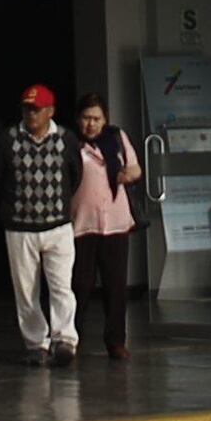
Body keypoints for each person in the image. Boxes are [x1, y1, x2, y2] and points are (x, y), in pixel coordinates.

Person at [0, 84, 80, 360]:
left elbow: (75, 175)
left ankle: (65, 339)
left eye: (37, 109)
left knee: (61, 286)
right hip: (20, 227)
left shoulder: (66, 138)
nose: (31, 114)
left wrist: (60, 204)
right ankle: (36, 344)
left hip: (58, 225)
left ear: (50, 111)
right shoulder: (8, 139)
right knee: (26, 289)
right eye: (27, 109)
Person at [66, 99, 143, 363]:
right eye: (87, 118)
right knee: (80, 285)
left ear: (105, 120)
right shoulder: (70, 142)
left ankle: (116, 342)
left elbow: (135, 167)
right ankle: (70, 339)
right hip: (82, 224)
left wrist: (127, 175)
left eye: (97, 118)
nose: (91, 124)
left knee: (115, 286)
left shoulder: (117, 138)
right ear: (79, 119)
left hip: (115, 222)